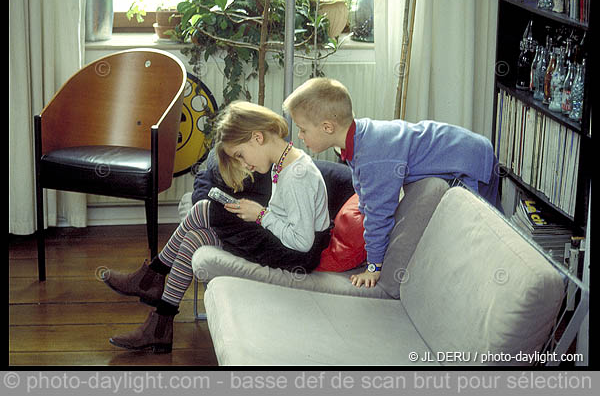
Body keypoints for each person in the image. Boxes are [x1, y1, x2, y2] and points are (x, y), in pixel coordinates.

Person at [102, 101, 331, 353]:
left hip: (295, 254)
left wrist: (260, 215)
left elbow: (302, 241)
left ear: (257, 137)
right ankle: (161, 324)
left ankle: (153, 274)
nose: (245, 164)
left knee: (202, 210)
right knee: (196, 237)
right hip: (281, 241)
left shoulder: (297, 174)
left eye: (241, 155)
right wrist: (257, 214)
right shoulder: (282, 163)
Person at [283, 77, 502, 289]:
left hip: (471, 160)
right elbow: (364, 192)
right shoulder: (356, 139)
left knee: (484, 235)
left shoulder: (373, 156)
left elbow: (379, 215)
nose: (300, 136)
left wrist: (374, 266)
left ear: (327, 127)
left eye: (303, 129)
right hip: (463, 152)